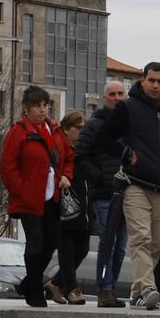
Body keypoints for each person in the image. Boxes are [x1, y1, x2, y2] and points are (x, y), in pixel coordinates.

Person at [97, 62, 160, 311]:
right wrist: (125, 152)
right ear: (143, 81)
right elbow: (103, 137)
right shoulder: (127, 108)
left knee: (155, 244)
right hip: (135, 183)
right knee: (140, 239)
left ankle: (137, 293)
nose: (156, 85)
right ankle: (148, 287)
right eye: (152, 80)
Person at [0, 86, 75, 309]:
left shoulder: (55, 130)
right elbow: (7, 167)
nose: (42, 110)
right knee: (35, 243)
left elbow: (69, 158)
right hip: (28, 199)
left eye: (45, 106)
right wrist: (21, 190)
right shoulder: (19, 132)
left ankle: (29, 281)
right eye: (37, 106)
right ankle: (34, 291)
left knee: (50, 243)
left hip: (53, 196)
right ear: (26, 108)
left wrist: (67, 176)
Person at [74, 80, 130, 307]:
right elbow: (80, 156)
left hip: (128, 192)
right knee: (108, 241)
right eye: (112, 94)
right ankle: (104, 288)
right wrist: (99, 177)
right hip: (105, 193)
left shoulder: (129, 125)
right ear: (104, 97)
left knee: (121, 246)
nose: (117, 98)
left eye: (120, 94)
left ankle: (111, 286)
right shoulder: (94, 125)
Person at [51, 110, 94, 305]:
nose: (82, 132)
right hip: (65, 208)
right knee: (67, 250)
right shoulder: (59, 149)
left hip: (84, 209)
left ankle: (55, 283)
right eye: (78, 128)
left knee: (83, 249)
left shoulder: (84, 151)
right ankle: (71, 288)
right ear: (66, 129)